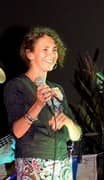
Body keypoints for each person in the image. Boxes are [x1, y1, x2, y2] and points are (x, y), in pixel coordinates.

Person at [3, 27, 82, 180]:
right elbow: (17, 132)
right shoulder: (17, 86)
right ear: (29, 53)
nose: (51, 55)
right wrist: (38, 104)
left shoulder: (57, 89)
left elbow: (77, 135)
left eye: (54, 50)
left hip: (62, 164)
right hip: (33, 163)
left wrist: (68, 123)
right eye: (45, 50)